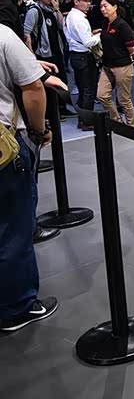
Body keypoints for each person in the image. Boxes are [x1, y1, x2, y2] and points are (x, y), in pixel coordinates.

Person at [0, 23, 60, 333]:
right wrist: (39, 130)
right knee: (13, 227)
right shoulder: (2, 35)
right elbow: (33, 88)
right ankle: (16, 308)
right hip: (4, 151)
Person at [23, 0, 69, 116]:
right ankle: (51, 112)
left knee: (62, 79)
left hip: (57, 50)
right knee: (49, 84)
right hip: (43, 52)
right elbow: (26, 33)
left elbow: (62, 26)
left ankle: (62, 108)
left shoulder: (52, 10)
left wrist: (57, 10)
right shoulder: (34, 11)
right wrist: (31, 54)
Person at [64, 0, 101, 131]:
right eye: (85, 1)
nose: (88, 4)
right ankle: (87, 121)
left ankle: (83, 119)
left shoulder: (70, 16)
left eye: (89, 1)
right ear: (76, 2)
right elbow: (87, 42)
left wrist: (92, 34)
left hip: (75, 55)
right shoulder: (79, 18)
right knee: (88, 90)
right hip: (84, 56)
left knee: (83, 89)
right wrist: (99, 36)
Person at [97, 0, 134, 125]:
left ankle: (131, 126)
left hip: (122, 66)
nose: (103, 9)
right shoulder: (104, 23)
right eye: (101, 6)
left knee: (124, 100)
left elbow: (131, 48)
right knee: (101, 95)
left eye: (106, 6)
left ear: (115, 7)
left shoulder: (122, 25)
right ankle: (117, 120)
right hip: (107, 65)